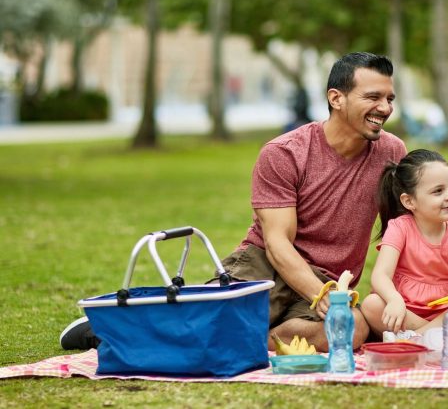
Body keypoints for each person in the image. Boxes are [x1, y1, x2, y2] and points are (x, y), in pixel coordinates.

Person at [59, 52, 407, 352]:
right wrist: (325, 298)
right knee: (203, 317)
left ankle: (219, 339)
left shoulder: (392, 152)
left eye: (389, 98)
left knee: (354, 331)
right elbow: (276, 243)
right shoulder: (285, 153)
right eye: (373, 97)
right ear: (337, 98)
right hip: (265, 263)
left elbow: (403, 229)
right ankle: (111, 328)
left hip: (331, 278)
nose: (385, 108)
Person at [360, 149, 448, 343]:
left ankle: (417, 338)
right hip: (407, 308)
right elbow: (380, 275)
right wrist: (393, 299)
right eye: (438, 191)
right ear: (409, 201)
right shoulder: (400, 227)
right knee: (371, 304)